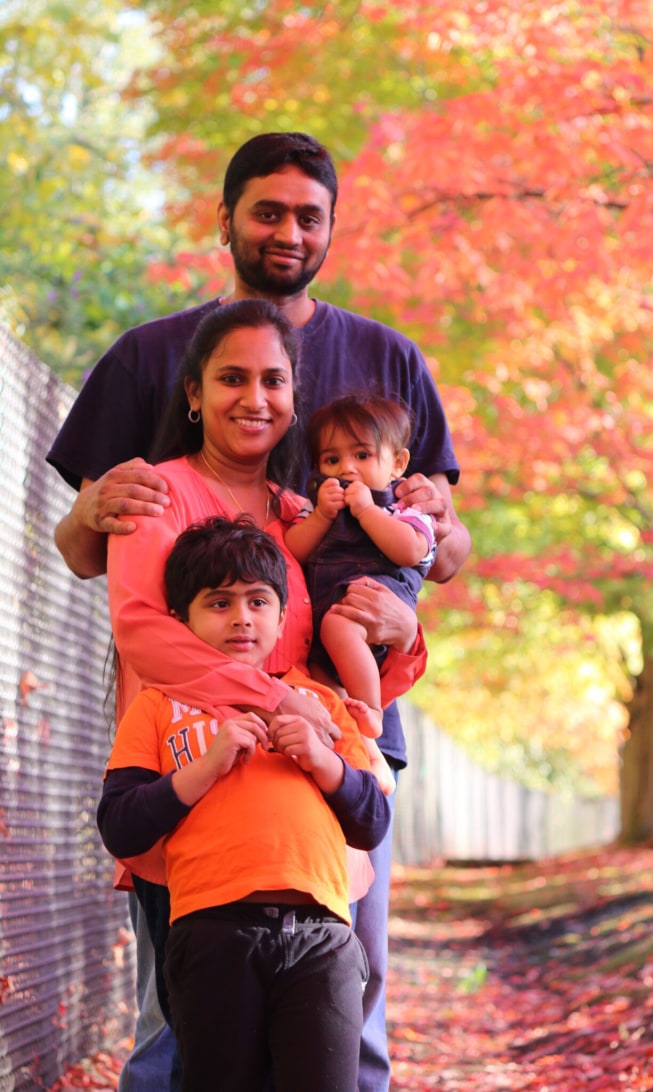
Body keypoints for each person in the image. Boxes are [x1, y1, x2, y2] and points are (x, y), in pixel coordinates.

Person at [48, 131, 470, 1092]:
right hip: (191, 735)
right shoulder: (149, 357)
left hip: (344, 742)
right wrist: (272, 704)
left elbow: (441, 550)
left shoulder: (386, 363)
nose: (286, 232)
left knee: (343, 999)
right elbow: (86, 551)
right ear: (225, 216)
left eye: (307, 215)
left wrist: (406, 622)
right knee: (188, 1009)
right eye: (266, 211)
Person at [105, 298, 424, 1047]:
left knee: (331, 1033)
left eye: (274, 381)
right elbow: (144, 633)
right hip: (195, 803)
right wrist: (284, 699)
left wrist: (405, 641)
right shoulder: (157, 491)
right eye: (231, 379)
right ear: (194, 394)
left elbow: (341, 646)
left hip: (304, 825)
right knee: (179, 1040)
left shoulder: (302, 514)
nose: (255, 399)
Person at [99, 513, 391, 1092]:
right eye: (219, 603)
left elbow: (373, 823)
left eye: (258, 602)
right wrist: (202, 771)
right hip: (212, 933)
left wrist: (322, 760)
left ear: (283, 616)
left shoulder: (317, 704)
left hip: (321, 934)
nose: (241, 618)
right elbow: (120, 826)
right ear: (181, 619)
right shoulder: (160, 705)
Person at [285, 393, 436, 790]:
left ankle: (372, 711)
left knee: (340, 625)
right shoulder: (316, 506)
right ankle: (367, 748)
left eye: (363, 456)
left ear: (397, 464)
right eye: (332, 460)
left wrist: (368, 511)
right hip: (320, 618)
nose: (346, 468)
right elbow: (294, 548)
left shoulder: (404, 511)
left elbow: (410, 550)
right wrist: (320, 515)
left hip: (371, 603)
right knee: (320, 682)